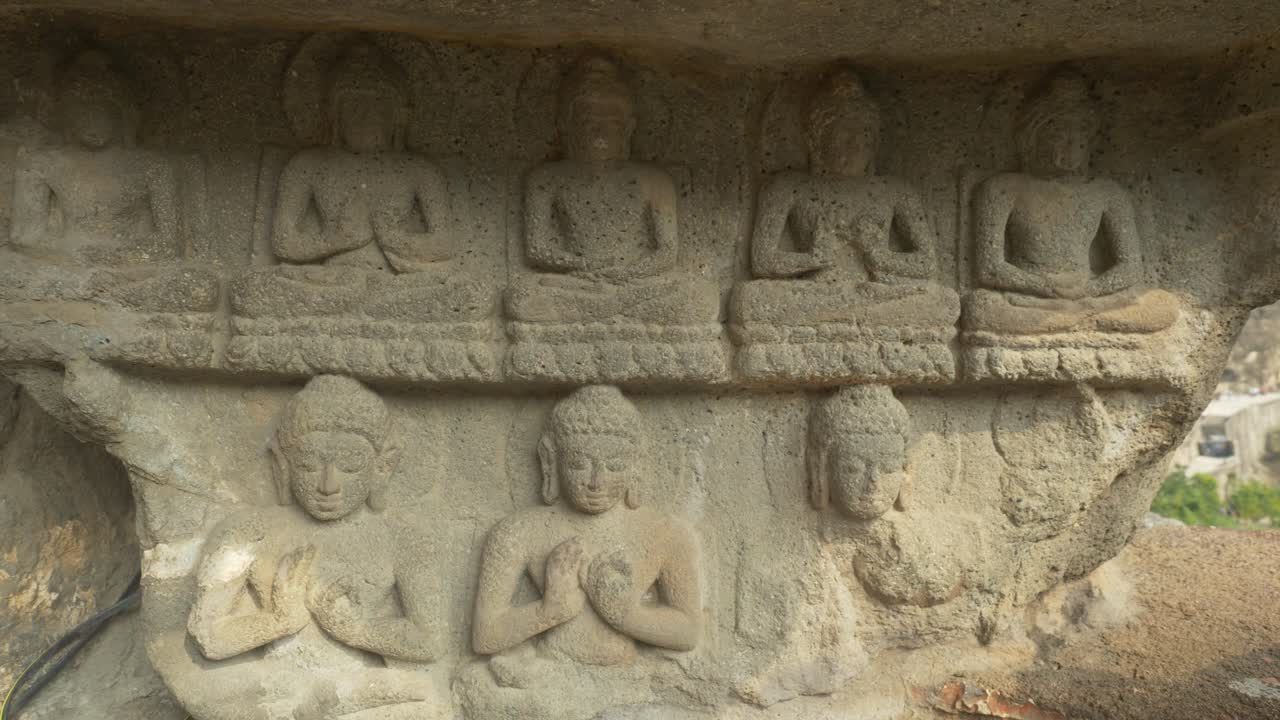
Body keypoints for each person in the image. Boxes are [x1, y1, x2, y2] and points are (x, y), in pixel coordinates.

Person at [187, 375, 437, 719]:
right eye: (307, 465)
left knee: (426, 698)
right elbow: (208, 636)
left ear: (382, 467)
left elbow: (430, 639)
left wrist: (356, 631)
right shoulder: (248, 532)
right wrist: (278, 621)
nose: (328, 485)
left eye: (350, 466)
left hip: (360, 691)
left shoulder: (401, 539)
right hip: (280, 688)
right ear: (283, 464)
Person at [967, 69, 1179, 335]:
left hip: (1088, 295)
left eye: (1080, 138)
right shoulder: (1002, 189)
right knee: (980, 307)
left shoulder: (1107, 193)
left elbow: (1130, 268)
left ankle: (1064, 324)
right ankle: (1078, 326)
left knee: (1162, 306)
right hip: (1028, 297)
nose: (1073, 146)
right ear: (1033, 138)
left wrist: (1088, 290)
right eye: (1060, 135)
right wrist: (1044, 287)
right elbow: (990, 268)